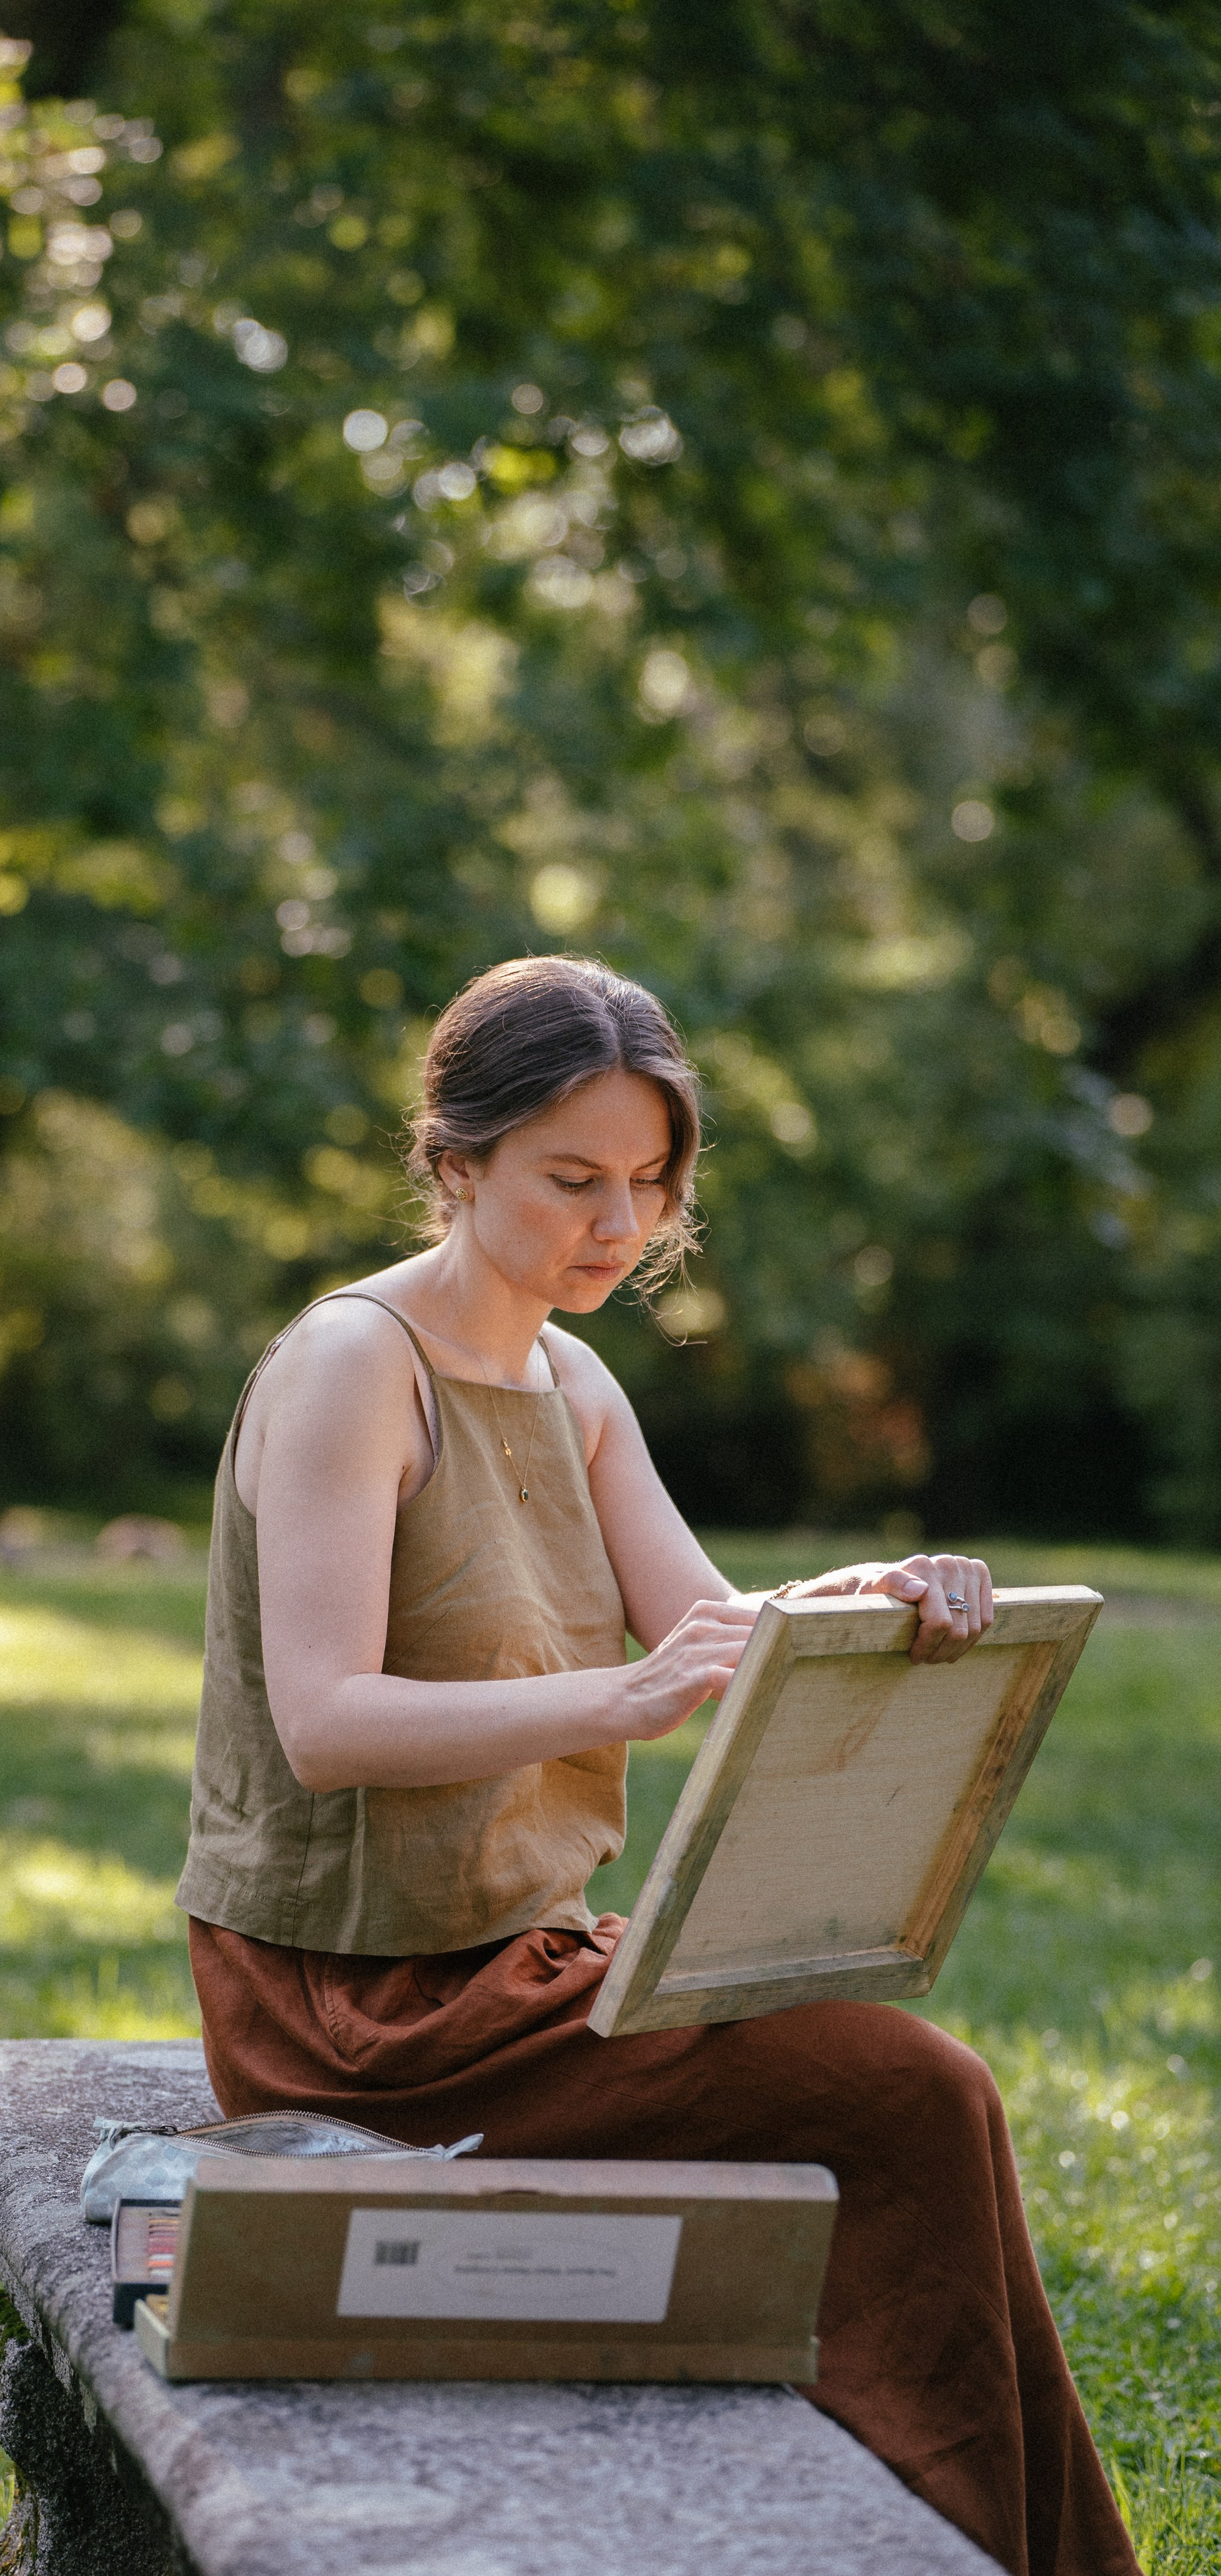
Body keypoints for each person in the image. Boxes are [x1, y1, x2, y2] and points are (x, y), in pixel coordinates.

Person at [176, 955, 1138, 2576]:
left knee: (919, 2099)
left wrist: (863, 1603)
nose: (615, 1227)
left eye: (645, 1182)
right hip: (351, 2011)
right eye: (570, 1180)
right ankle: (968, 2536)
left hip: (520, 1961)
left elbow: (715, 1631)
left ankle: (975, 2537)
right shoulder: (356, 1364)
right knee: (913, 2092)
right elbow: (326, 1722)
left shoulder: (570, 1372)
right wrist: (610, 1701)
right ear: (455, 1159)